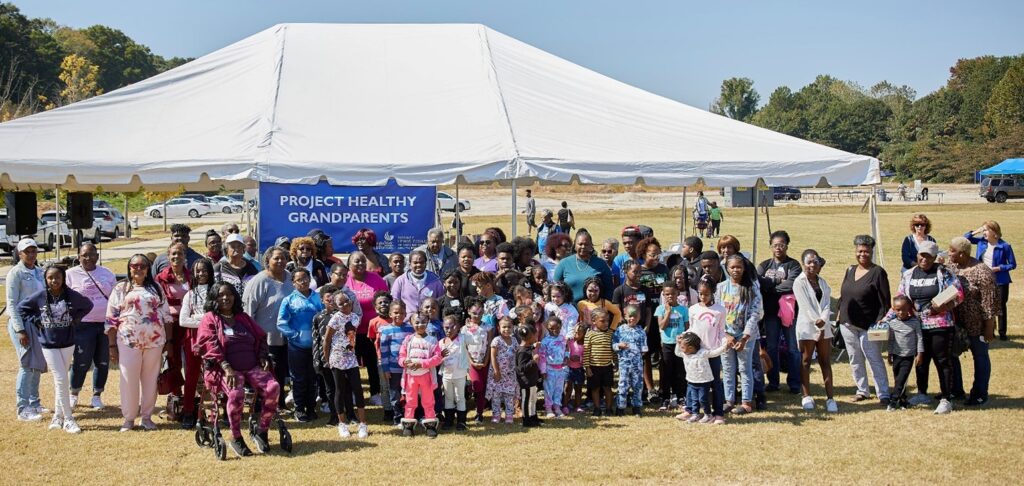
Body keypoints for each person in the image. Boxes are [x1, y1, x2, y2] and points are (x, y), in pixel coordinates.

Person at [195, 282, 281, 456]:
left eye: (229, 294)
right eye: (220, 295)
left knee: (274, 387)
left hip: (251, 365)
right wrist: (226, 367)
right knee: (237, 393)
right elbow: (208, 344)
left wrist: (263, 356)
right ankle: (236, 437)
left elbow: (261, 337)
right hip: (224, 368)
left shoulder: (243, 318)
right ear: (214, 298)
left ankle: (262, 430)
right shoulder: (210, 318)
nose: (226, 298)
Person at [886, 240, 963, 414]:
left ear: (935, 257)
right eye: (922, 255)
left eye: (929, 256)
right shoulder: (909, 274)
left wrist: (942, 307)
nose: (924, 259)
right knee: (921, 360)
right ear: (917, 255)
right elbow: (900, 298)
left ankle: (946, 398)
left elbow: (958, 294)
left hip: (940, 325)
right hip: (915, 325)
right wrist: (886, 320)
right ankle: (922, 392)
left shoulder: (943, 272)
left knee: (942, 360)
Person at [18, 265, 93, 433]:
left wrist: (76, 318)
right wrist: (36, 320)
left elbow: (88, 305)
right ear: (45, 279)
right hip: (48, 344)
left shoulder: (71, 296)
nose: (54, 280)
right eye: (50, 277)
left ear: (63, 279)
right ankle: (69, 419)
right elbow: (21, 308)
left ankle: (57, 417)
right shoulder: (40, 296)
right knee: (61, 379)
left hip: (68, 343)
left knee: (61, 380)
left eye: (57, 277)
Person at [106, 254, 173, 431]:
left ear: (148, 268)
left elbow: (166, 315)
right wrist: (112, 345)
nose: (138, 268)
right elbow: (111, 318)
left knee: (150, 379)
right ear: (129, 267)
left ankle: (146, 417)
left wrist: (169, 341)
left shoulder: (156, 288)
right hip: (128, 341)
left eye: (143, 265)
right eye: (134, 265)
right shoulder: (121, 288)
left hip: (155, 341)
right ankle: (129, 418)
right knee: (128, 379)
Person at [837, 235, 892, 405]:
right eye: (860, 251)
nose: (863, 254)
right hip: (847, 323)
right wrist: (839, 315)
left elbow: (885, 301)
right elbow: (843, 295)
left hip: (870, 325)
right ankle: (862, 390)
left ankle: (883, 393)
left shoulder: (878, 273)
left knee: (874, 358)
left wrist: (879, 322)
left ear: (872, 252)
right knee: (855, 358)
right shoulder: (849, 270)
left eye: (866, 251)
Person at [946, 236, 997, 406]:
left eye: (952, 251)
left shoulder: (982, 271)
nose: (949, 253)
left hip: (978, 325)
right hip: (955, 322)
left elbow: (989, 303)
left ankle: (980, 393)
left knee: (980, 357)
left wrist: (989, 328)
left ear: (962, 254)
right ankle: (956, 389)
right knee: (951, 355)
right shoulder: (951, 267)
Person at [65, 242, 116, 411]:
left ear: (97, 256)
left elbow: (115, 300)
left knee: (102, 362)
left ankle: (97, 395)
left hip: (104, 324)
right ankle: (73, 394)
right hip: (82, 325)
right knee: (81, 361)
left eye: (92, 254)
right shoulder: (70, 275)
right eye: (84, 255)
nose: (88, 258)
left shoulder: (107, 274)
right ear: (78, 256)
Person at [241, 246, 294, 409]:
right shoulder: (259, 281)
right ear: (267, 261)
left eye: (283, 258)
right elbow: (248, 312)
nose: (280, 261)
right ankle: (264, 403)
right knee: (267, 372)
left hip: (288, 336)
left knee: (281, 372)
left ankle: (279, 403)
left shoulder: (289, 277)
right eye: (276, 258)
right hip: (265, 338)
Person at [716, 254, 763, 415]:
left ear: (744, 268)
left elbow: (755, 313)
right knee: (728, 368)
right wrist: (726, 335)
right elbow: (717, 313)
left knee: (744, 367)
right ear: (727, 269)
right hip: (726, 335)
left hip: (746, 336)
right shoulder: (721, 287)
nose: (736, 270)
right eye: (732, 267)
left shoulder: (751, 287)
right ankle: (729, 400)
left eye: (739, 267)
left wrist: (744, 337)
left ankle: (746, 402)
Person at [757, 230, 803, 394]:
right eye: (775, 245)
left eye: (782, 245)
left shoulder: (794, 265)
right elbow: (758, 282)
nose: (778, 248)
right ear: (771, 246)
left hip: (789, 313)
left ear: (787, 246)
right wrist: (777, 281)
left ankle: (795, 383)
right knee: (771, 347)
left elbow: (791, 284)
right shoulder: (764, 265)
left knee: (793, 348)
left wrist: (770, 286)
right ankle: (773, 383)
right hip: (770, 313)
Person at [277, 268, 324, 422]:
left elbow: (324, 317)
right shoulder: (288, 300)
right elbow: (281, 323)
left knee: (313, 377)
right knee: (298, 378)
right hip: (296, 346)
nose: (303, 282)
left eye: (305, 278)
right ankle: (299, 409)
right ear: (293, 283)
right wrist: (294, 335)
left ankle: (311, 408)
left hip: (315, 346)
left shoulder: (318, 298)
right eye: (299, 280)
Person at [792, 249, 837, 412]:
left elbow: (826, 304)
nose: (812, 265)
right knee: (805, 361)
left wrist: (823, 320)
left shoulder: (823, 282)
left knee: (825, 361)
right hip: (806, 326)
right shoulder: (799, 282)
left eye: (815, 262)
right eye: (809, 262)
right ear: (803, 264)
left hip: (823, 325)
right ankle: (806, 396)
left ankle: (830, 398)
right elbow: (804, 305)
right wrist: (815, 320)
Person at [154, 242, 192, 420]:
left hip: (190, 325)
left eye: (180, 254)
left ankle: (191, 400)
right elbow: (158, 304)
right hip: (170, 325)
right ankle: (177, 398)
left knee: (192, 361)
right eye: (173, 254)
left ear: (185, 256)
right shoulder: (161, 278)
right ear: (168, 257)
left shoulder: (191, 276)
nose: (176, 257)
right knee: (173, 360)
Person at [323, 293, 369, 439]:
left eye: (347, 302)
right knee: (340, 390)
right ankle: (342, 424)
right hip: (337, 358)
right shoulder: (335, 319)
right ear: (336, 306)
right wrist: (327, 358)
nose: (345, 305)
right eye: (341, 304)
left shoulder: (355, 317)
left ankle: (363, 423)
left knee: (358, 388)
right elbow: (327, 340)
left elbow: (352, 336)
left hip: (351, 357)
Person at [346, 251, 389, 403]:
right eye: (356, 261)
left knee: (372, 363)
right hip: (351, 331)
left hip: (373, 331)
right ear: (349, 264)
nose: (360, 264)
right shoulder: (345, 281)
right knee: (351, 364)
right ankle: (352, 393)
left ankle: (375, 393)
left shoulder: (376, 279)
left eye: (363, 261)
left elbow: (386, 299)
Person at [177, 257, 214, 428]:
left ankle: (219, 411)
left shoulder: (216, 291)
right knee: (191, 377)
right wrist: (205, 319)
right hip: (193, 339)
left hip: (214, 338)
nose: (201, 273)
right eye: (198, 270)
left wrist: (197, 317)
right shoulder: (189, 295)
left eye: (204, 270)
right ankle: (188, 411)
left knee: (216, 375)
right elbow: (183, 321)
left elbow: (218, 317)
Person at [964, 220, 1016, 341]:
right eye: (984, 230)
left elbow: (1013, 264)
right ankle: (987, 331)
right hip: (983, 280)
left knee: (1001, 306)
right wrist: (978, 230)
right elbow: (965, 238)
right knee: (984, 305)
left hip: (1001, 280)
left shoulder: (1005, 246)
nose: (984, 232)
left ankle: (1003, 333)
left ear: (994, 232)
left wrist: (999, 268)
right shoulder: (981, 242)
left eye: (986, 230)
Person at [686, 276, 728, 425]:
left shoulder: (720, 310)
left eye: (706, 294)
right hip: (696, 354)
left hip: (712, 352)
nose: (703, 297)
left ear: (713, 293)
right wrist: (683, 338)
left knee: (715, 383)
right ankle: (693, 411)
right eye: (700, 294)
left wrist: (724, 344)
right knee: (694, 382)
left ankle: (718, 413)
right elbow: (691, 329)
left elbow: (721, 330)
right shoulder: (693, 309)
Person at [398, 311, 444, 438]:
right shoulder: (408, 340)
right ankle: (408, 425)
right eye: (417, 322)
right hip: (411, 377)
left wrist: (421, 363)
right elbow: (401, 356)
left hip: (426, 376)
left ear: (428, 322)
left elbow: (437, 358)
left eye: (423, 322)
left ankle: (430, 425)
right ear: (412, 323)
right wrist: (404, 362)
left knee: (428, 401)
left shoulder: (432, 340)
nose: (420, 325)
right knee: (410, 400)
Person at [636, 237, 669, 399]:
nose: (655, 257)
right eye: (651, 254)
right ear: (643, 254)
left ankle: (663, 387)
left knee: (664, 354)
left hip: (663, 319)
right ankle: (650, 389)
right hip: (645, 320)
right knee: (645, 354)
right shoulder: (638, 271)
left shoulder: (664, 270)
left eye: (658, 254)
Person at [676, 331, 728, 423]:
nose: (681, 348)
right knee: (694, 399)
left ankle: (708, 415)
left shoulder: (702, 353)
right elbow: (677, 352)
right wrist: (678, 343)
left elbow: (714, 353)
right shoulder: (685, 354)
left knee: (703, 399)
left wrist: (724, 347)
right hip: (692, 381)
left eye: (682, 347)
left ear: (691, 348)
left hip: (704, 381)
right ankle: (695, 414)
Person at [883, 296, 924, 411]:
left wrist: (920, 353)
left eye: (904, 309)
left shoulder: (915, 322)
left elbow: (919, 338)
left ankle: (893, 401)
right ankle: (903, 400)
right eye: (898, 309)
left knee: (902, 379)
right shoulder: (892, 323)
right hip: (896, 355)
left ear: (909, 308)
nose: (901, 312)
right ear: (893, 309)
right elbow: (891, 340)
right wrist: (890, 354)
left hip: (908, 356)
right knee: (898, 379)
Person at [379, 301, 414, 426]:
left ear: (405, 314)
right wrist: (386, 368)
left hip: (408, 369)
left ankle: (409, 415)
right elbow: (384, 351)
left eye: (402, 313)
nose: (399, 315)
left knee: (409, 393)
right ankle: (397, 417)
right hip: (393, 369)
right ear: (390, 313)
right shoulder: (386, 330)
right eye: (395, 312)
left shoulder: (411, 328)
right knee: (395, 393)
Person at [554, 231, 613, 305]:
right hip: (569, 311)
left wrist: (604, 308)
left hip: (594, 311)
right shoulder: (564, 263)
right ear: (575, 245)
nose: (583, 247)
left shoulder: (601, 264)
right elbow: (555, 288)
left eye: (586, 244)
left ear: (591, 246)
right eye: (580, 244)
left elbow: (609, 290)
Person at [655, 284, 688, 411]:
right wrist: (668, 312)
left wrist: (683, 338)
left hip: (680, 345)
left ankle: (681, 397)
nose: (670, 296)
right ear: (663, 295)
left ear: (677, 294)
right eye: (667, 294)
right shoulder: (660, 309)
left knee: (680, 371)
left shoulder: (684, 310)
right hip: (667, 344)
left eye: (672, 294)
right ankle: (665, 398)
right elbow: (662, 326)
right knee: (666, 371)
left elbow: (687, 327)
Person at [613, 305, 648, 416]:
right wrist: (619, 345)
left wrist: (642, 351)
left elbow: (644, 347)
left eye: (635, 316)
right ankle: (620, 407)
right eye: (630, 316)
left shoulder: (641, 331)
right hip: (624, 364)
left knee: (638, 385)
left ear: (639, 317)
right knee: (623, 385)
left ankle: (636, 407)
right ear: (625, 316)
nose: (632, 319)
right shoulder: (620, 330)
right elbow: (613, 345)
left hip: (637, 365)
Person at [485, 317, 520, 424]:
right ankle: (496, 414)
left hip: (510, 374)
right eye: (504, 327)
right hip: (497, 373)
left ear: (513, 328)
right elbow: (493, 357)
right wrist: (496, 371)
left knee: (509, 395)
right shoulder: (496, 340)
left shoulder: (514, 340)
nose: (507, 329)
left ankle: (509, 415)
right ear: (498, 328)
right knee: (496, 395)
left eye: (509, 327)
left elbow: (517, 354)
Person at [461, 298, 491, 422]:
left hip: (484, 361)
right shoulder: (464, 329)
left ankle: (479, 412)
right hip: (471, 362)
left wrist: (485, 361)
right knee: (476, 385)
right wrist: (471, 362)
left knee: (482, 388)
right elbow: (464, 347)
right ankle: (468, 392)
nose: (476, 315)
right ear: (469, 311)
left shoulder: (488, 327)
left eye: (479, 313)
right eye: (474, 313)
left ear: (483, 312)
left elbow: (489, 345)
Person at [439, 314, 469, 430]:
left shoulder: (462, 339)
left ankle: (461, 422)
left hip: (460, 374)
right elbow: (437, 359)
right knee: (448, 397)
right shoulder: (441, 342)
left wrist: (468, 328)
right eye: (446, 327)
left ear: (458, 327)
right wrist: (440, 356)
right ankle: (449, 420)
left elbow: (473, 340)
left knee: (460, 397)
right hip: (446, 375)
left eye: (452, 327)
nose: (449, 330)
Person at [391, 250, 444, 314]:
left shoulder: (435, 280)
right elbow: (395, 302)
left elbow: (440, 302)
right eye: (415, 262)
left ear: (426, 263)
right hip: (407, 321)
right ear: (410, 264)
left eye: (421, 262)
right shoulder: (401, 281)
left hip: (429, 321)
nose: (419, 265)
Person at [584, 308, 616, 416]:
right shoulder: (589, 334)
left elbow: (613, 349)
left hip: (607, 366)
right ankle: (597, 408)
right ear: (594, 321)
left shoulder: (611, 333)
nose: (606, 323)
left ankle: (608, 408)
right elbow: (586, 351)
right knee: (595, 388)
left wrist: (615, 362)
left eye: (607, 320)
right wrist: (587, 367)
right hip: (594, 367)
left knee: (608, 388)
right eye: (603, 321)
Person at [537, 316, 568, 418]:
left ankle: (557, 407)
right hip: (549, 369)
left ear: (561, 327)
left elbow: (566, 349)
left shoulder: (563, 338)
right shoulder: (545, 341)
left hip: (560, 369)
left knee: (559, 389)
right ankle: (548, 408)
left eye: (557, 328)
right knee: (549, 390)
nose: (555, 330)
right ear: (547, 328)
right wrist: (543, 370)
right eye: (551, 328)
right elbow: (542, 357)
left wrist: (567, 357)